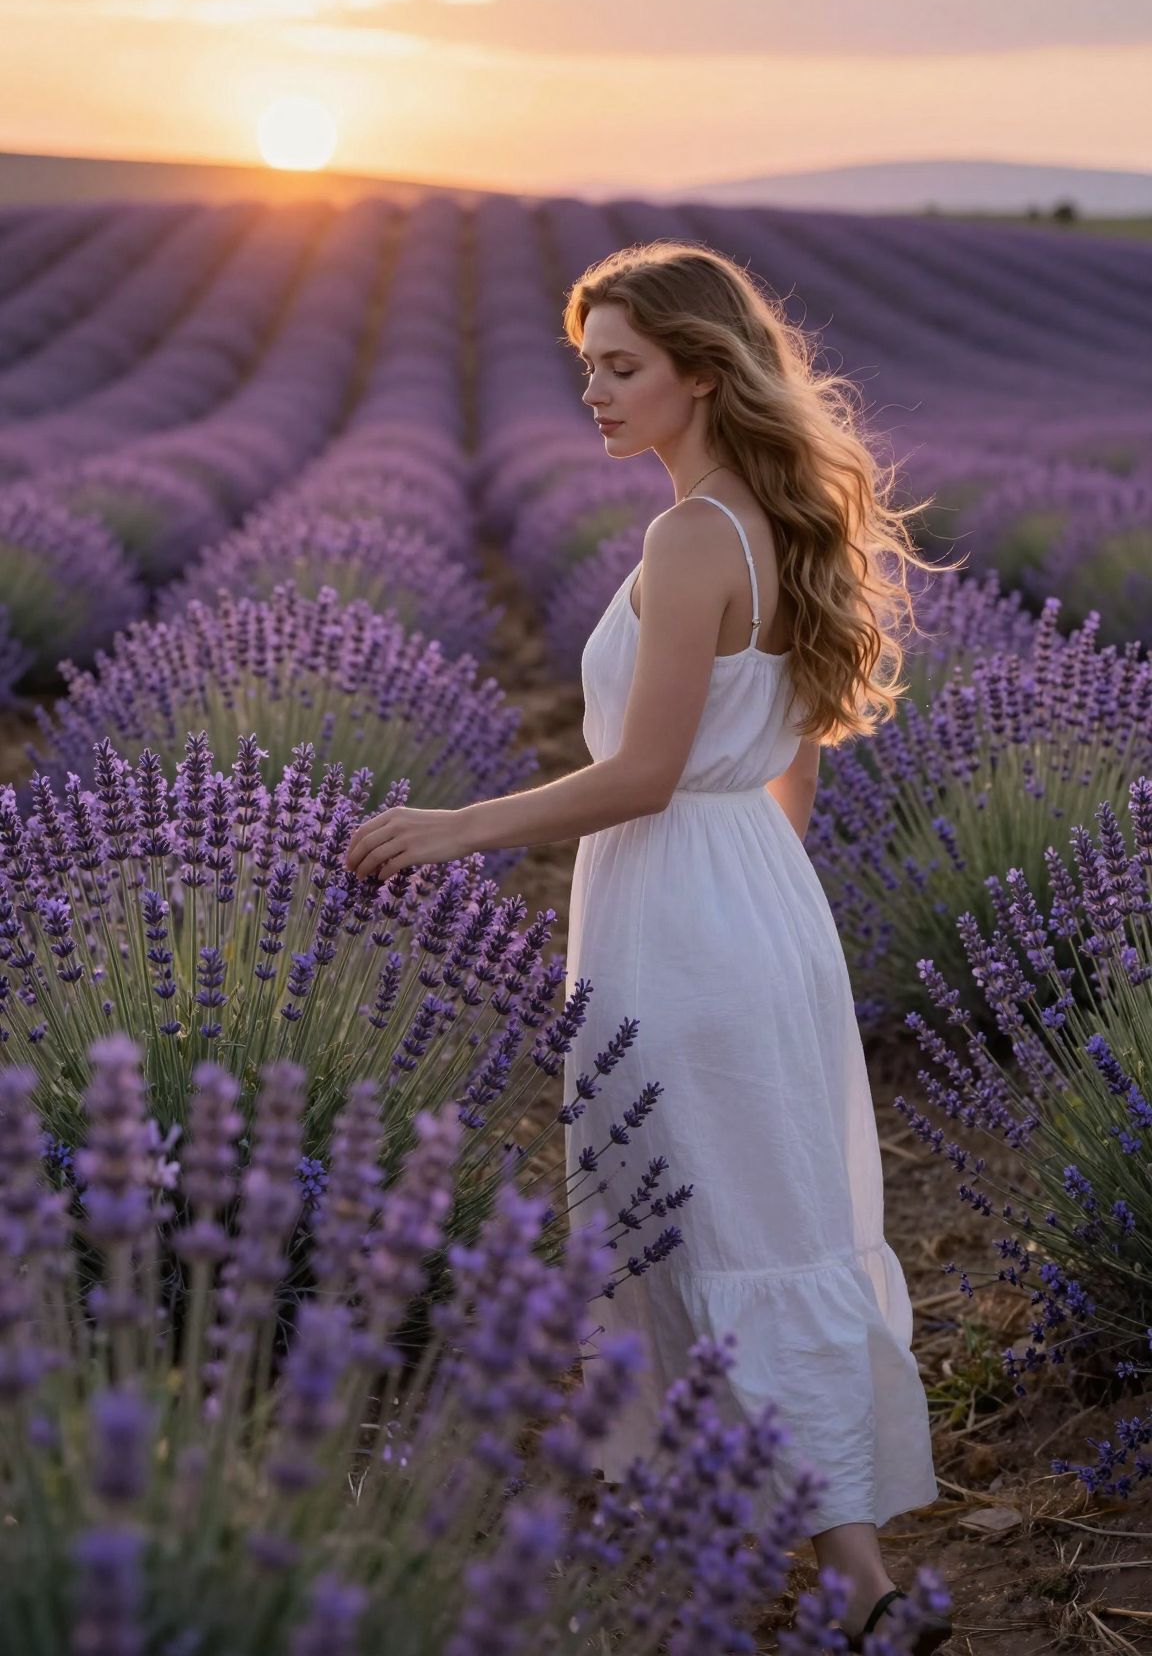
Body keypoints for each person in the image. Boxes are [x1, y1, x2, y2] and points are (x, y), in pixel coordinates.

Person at [345, 239, 959, 1652]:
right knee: (763, 1225)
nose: (597, 395)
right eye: (587, 370)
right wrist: (763, 920)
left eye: (622, 367)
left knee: (702, 1229)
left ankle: (843, 1586)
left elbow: (641, 774)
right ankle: (836, 1576)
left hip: (683, 911)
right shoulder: (773, 520)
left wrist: (454, 827)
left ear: (700, 368)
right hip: (753, 902)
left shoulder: (690, 539)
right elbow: (784, 770)